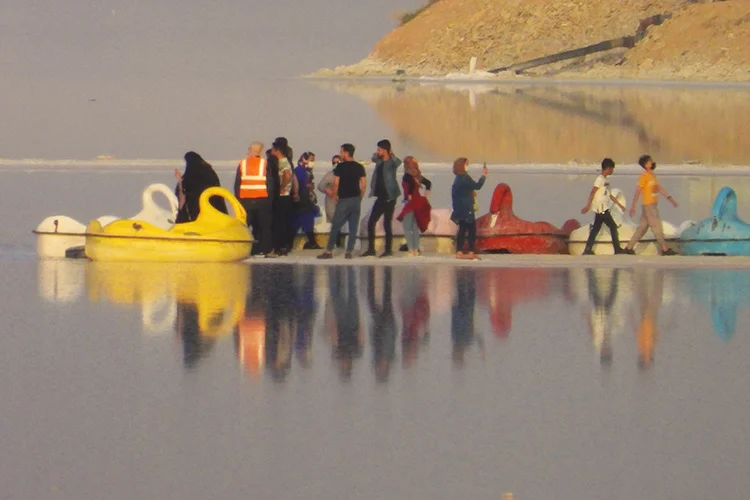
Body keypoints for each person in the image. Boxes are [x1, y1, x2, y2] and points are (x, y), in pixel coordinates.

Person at [317, 143, 367, 260]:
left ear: (345, 152)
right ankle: (349, 251)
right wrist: (360, 197)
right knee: (353, 227)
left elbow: (336, 184)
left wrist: (334, 196)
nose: (340, 154)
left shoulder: (340, 167)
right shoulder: (359, 167)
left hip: (344, 199)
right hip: (355, 200)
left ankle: (329, 251)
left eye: (341, 152)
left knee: (336, 225)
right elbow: (363, 185)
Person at [622, 155, 679, 256]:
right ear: (645, 165)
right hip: (648, 206)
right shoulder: (644, 176)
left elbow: (658, 188)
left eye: (651, 161)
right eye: (649, 162)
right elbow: (638, 191)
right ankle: (664, 249)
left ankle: (629, 248)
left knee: (642, 228)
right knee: (657, 226)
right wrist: (633, 206)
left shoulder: (652, 175)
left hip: (652, 205)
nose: (651, 163)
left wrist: (670, 198)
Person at [362, 139, 402, 258]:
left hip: (389, 197)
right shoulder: (379, 161)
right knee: (371, 222)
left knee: (386, 223)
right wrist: (380, 154)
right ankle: (371, 249)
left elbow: (398, 162)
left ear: (385, 150)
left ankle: (388, 249)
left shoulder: (391, 163)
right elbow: (373, 157)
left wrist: (390, 154)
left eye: (379, 149)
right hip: (380, 196)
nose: (377, 151)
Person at [233, 141, 273, 256]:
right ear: (260, 151)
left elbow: (237, 183)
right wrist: (269, 200)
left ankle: (239, 248)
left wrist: (238, 199)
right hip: (262, 199)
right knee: (264, 226)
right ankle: (267, 249)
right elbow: (269, 183)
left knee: (244, 225)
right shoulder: (264, 163)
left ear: (249, 150)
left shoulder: (242, 164)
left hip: (245, 199)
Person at [580, 158, 627, 255]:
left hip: (603, 208)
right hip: (601, 209)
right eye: (612, 169)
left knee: (595, 230)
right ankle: (617, 249)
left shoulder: (605, 181)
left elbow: (609, 195)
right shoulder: (599, 179)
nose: (612, 171)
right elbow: (593, 192)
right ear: (608, 168)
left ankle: (587, 250)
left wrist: (620, 205)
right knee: (613, 227)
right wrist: (588, 206)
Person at [174, 151, 227, 223]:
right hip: (214, 210)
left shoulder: (190, 175)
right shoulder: (210, 172)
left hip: (195, 213)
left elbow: (183, 194)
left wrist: (180, 181)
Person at [450, 157, 487, 260]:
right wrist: (483, 175)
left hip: (459, 208)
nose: (468, 166)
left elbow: (459, 192)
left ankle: (459, 251)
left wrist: (469, 193)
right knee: (471, 230)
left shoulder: (457, 178)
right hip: (467, 208)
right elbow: (477, 186)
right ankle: (471, 252)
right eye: (467, 164)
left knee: (462, 229)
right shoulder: (465, 177)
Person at [396, 156, 432, 256]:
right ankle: (416, 249)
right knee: (415, 227)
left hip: (410, 203)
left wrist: (409, 196)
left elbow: (409, 190)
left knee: (407, 227)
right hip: (418, 202)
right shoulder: (417, 175)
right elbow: (428, 183)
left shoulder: (407, 176)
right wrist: (425, 196)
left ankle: (411, 249)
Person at [291, 152, 323, 250]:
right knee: (304, 221)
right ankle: (311, 242)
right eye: (311, 160)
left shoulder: (307, 171)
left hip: (305, 200)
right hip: (302, 200)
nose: (312, 162)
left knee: (300, 222)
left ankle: (310, 242)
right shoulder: (299, 171)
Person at [271, 139, 296, 256]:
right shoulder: (286, 161)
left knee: (280, 221)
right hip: (286, 195)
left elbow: (287, 175)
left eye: (273, 149)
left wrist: (282, 186)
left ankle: (281, 246)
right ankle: (284, 245)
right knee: (284, 220)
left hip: (283, 195)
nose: (271, 152)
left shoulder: (282, 162)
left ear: (277, 150)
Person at [318, 155, 341, 223]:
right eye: (334, 163)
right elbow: (320, 186)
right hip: (331, 201)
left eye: (338, 162)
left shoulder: (346, 174)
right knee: (332, 220)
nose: (336, 164)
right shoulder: (330, 175)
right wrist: (326, 190)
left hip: (342, 201)